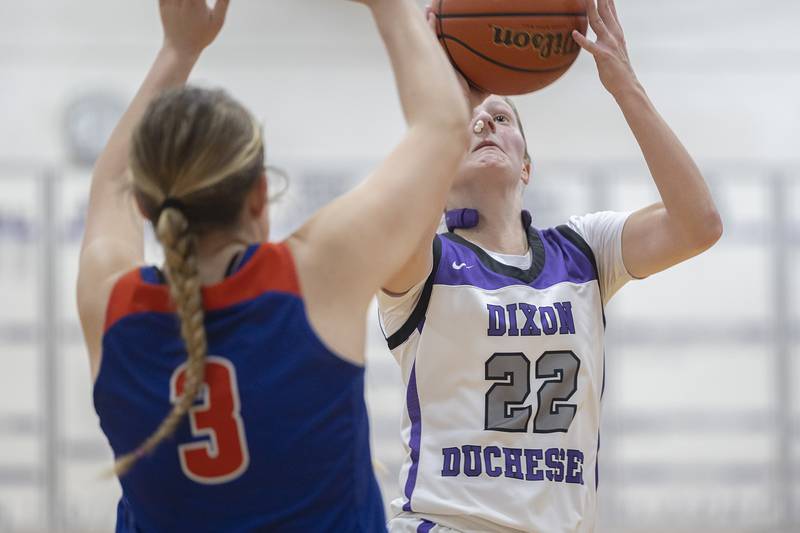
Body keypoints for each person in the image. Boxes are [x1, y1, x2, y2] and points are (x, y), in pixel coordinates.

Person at [76, 0, 469, 531]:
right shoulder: (312, 277)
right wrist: (390, 8)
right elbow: (444, 128)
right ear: (260, 197)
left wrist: (177, 50)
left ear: (145, 205)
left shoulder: (113, 309)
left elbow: (109, 184)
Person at [377, 0, 723, 531]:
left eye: (501, 117)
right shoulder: (422, 265)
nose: (484, 124)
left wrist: (624, 84)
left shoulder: (583, 251)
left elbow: (699, 225)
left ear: (526, 163)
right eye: (470, 122)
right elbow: (402, 207)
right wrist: (445, 116)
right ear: (439, 166)